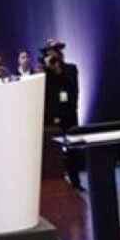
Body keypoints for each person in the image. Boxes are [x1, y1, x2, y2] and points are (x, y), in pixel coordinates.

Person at [43, 41, 82, 190]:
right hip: (51, 117)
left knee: (73, 149)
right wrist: (48, 69)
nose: (53, 56)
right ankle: (57, 183)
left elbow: (73, 88)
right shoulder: (44, 71)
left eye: (56, 52)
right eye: (50, 52)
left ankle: (76, 182)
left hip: (69, 115)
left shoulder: (71, 69)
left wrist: (58, 71)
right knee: (53, 151)